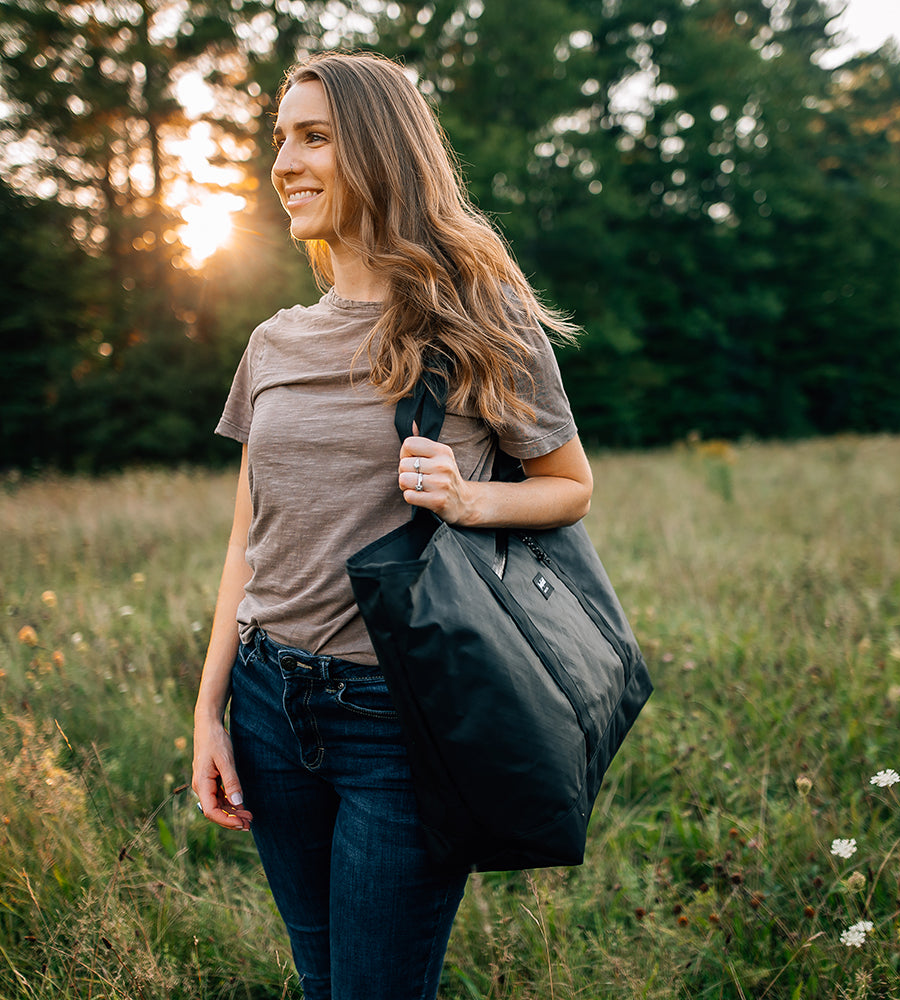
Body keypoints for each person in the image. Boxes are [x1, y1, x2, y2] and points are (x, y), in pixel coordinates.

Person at [191, 49, 593, 1000]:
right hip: (267, 705)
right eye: (279, 140)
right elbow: (249, 536)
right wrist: (210, 707)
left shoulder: (477, 319)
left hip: (400, 718)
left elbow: (569, 486)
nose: (284, 162)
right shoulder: (274, 342)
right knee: (321, 974)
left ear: (382, 151)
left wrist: (471, 497)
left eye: (315, 137)